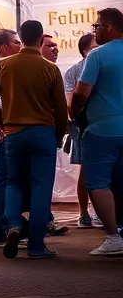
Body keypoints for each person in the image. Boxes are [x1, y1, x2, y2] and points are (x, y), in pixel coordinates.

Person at [0, 19, 69, 260]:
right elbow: (61, 109)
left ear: (22, 36)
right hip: (43, 134)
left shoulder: (4, 66)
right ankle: (37, 245)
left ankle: (14, 227)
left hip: (14, 134)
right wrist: (59, 135)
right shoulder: (50, 69)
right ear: (41, 39)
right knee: (41, 188)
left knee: (13, 183)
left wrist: (3, 121)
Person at [70, 7, 123, 256]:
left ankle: (113, 236)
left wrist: (74, 112)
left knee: (98, 182)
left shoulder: (97, 55)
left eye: (97, 26)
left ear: (109, 27)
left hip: (103, 129)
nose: (95, 30)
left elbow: (81, 92)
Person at [64, 33, 100, 228]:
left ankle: (90, 213)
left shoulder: (73, 71)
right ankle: (86, 213)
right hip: (87, 124)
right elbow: (71, 101)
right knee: (90, 170)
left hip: (84, 124)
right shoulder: (76, 70)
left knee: (89, 170)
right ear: (86, 49)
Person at [0, 28, 22, 234]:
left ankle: (9, 222)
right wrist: (0, 123)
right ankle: (7, 221)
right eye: (16, 43)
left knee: (7, 178)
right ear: (4, 46)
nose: (19, 46)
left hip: (8, 129)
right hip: (8, 130)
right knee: (7, 178)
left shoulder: (9, 66)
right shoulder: (1, 67)